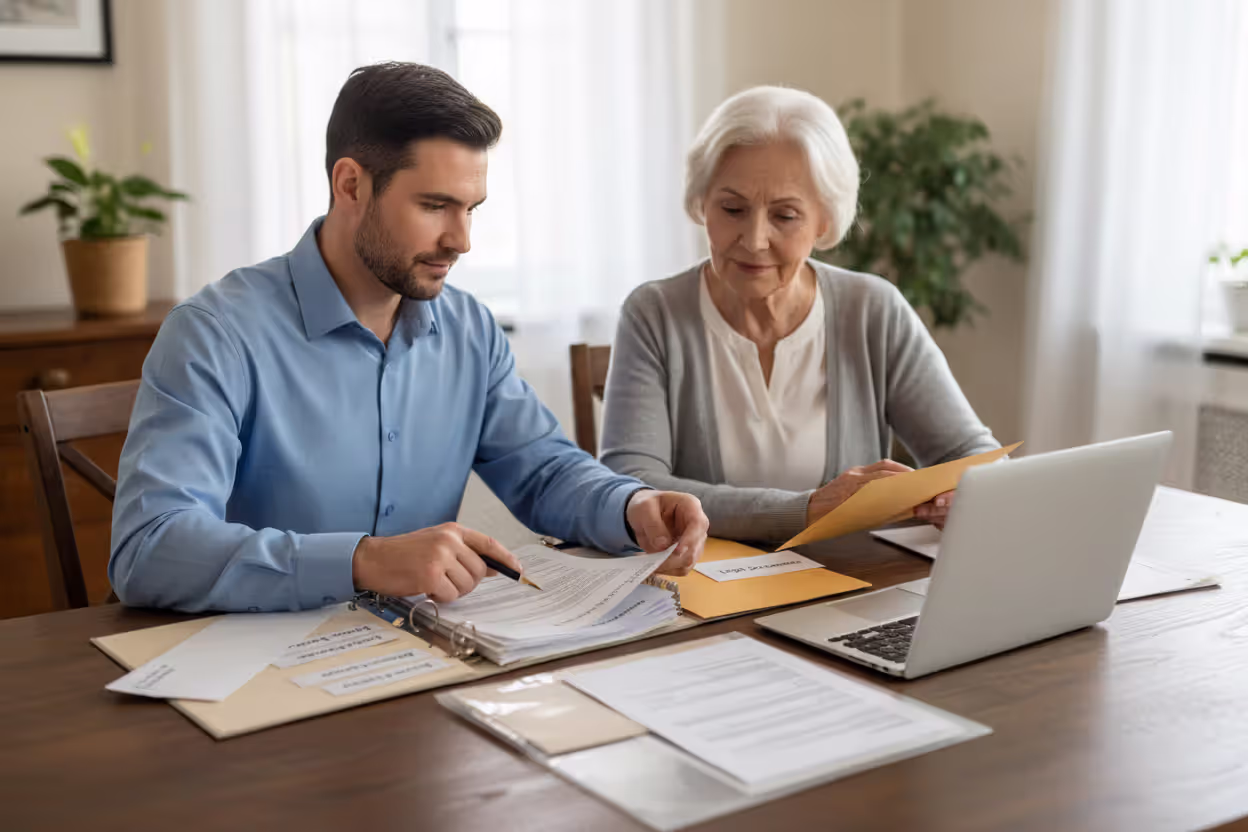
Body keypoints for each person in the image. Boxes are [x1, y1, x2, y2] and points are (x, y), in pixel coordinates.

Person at [110, 62, 708, 613]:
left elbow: (542, 471)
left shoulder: (470, 329)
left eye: (472, 208)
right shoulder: (217, 334)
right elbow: (150, 548)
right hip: (253, 675)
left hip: (425, 669)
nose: (461, 240)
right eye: (435, 206)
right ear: (350, 185)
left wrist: (633, 507)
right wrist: (363, 560)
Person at [600, 85, 999, 546]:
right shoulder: (654, 314)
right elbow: (632, 483)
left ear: (824, 221)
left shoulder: (873, 310)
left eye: (785, 216)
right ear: (700, 203)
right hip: (706, 594)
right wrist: (805, 511)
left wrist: (956, 496)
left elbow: (973, 455)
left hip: (852, 585)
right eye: (732, 209)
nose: (754, 239)